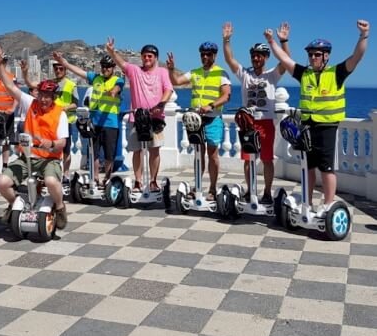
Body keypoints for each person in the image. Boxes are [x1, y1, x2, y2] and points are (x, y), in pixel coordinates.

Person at [266, 19, 370, 214]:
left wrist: (363, 35)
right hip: (307, 127)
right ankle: (307, 203)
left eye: (317, 54)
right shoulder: (304, 74)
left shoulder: (336, 73)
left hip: (327, 128)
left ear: (326, 56)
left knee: (327, 168)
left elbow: (357, 56)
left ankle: (329, 205)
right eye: (310, 54)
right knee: (308, 167)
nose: (313, 57)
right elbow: (286, 60)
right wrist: (274, 41)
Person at [0, 46, 68, 229]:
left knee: (51, 181)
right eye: (41, 95)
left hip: (49, 159)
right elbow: (10, 87)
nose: (43, 99)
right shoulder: (30, 104)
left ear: (53, 97)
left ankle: (59, 208)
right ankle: (14, 204)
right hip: (26, 157)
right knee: (2, 182)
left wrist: (50, 143)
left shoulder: (60, 114)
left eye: (48, 96)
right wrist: (0, 66)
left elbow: (62, 144)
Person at [222, 22, 291, 204]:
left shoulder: (272, 75)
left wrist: (283, 41)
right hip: (248, 123)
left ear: (266, 58)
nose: (256, 58)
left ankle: (267, 192)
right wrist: (226, 40)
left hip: (266, 123)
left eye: (260, 56)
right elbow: (230, 60)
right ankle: (250, 189)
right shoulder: (245, 74)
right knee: (247, 159)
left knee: (267, 159)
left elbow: (286, 61)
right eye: (254, 56)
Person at [167, 42, 231, 201]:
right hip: (196, 120)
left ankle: (212, 188)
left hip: (213, 118)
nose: (205, 57)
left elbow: (226, 95)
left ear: (214, 55)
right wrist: (171, 69)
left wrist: (211, 105)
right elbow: (176, 81)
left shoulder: (221, 73)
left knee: (213, 154)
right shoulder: (194, 72)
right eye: (202, 54)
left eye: (208, 54)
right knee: (198, 154)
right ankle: (197, 186)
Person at [106, 39, 173, 191]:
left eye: (150, 56)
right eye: (144, 56)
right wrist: (111, 51)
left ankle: (154, 181)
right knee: (137, 151)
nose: (147, 58)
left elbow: (168, 89)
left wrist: (161, 104)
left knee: (154, 151)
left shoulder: (162, 72)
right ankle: (138, 181)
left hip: (155, 119)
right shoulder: (135, 71)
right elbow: (121, 63)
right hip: (136, 118)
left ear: (155, 57)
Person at [52, 51, 125, 185]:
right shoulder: (95, 78)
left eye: (108, 66)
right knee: (94, 153)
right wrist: (64, 62)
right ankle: (95, 178)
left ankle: (107, 179)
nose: (105, 69)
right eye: (103, 66)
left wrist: (113, 92)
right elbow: (79, 72)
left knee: (109, 155)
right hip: (94, 122)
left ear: (113, 68)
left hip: (110, 123)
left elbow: (118, 87)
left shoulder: (117, 79)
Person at [22, 60, 79, 185]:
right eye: (56, 68)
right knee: (47, 146)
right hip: (48, 120)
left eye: (61, 68)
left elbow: (76, 103)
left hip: (64, 120)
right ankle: (49, 172)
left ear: (65, 70)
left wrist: (64, 108)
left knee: (66, 150)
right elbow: (30, 84)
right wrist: (25, 72)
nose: (58, 71)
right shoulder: (49, 83)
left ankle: (66, 174)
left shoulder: (71, 85)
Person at [17, 60, 39, 134]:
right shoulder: (27, 98)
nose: (38, 92)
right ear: (30, 91)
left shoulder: (40, 100)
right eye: (36, 90)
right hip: (26, 123)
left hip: (27, 123)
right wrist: (24, 73)